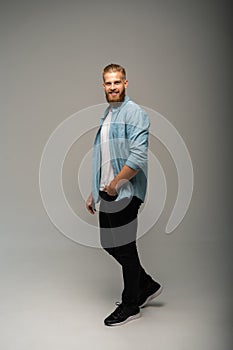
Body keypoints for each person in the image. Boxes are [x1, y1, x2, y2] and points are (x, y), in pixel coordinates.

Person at [86, 63, 163, 326]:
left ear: (126, 83)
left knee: (126, 249)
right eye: (108, 83)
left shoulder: (135, 113)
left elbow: (138, 156)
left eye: (117, 82)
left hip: (125, 192)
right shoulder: (108, 115)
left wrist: (116, 184)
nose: (112, 87)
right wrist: (94, 191)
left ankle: (131, 304)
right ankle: (146, 284)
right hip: (107, 191)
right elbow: (104, 158)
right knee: (110, 244)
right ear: (103, 85)